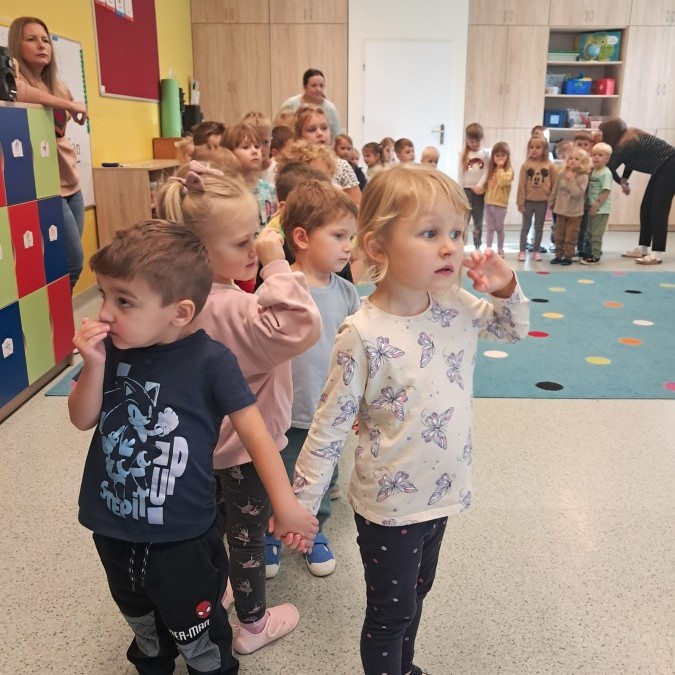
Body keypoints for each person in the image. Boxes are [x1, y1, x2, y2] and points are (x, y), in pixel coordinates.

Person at [292, 164, 529, 675]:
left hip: (441, 491)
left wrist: (506, 287)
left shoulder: (454, 304)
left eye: (456, 234)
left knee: (418, 593)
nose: (450, 248)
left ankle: (404, 667)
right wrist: (303, 504)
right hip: (389, 506)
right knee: (390, 612)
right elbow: (329, 425)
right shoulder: (362, 333)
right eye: (429, 233)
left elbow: (511, 331)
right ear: (377, 246)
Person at [69, 220, 319, 674]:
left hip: (183, 539)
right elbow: (82, 417)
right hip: (111, 529)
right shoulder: (115, 349)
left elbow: (257, 436)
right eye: (104, 294)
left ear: (180, 312)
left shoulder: (212, 361)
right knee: (141, 620)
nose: (104, 312)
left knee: (199, 630)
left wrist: (285, 505)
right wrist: (93, 365)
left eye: (123, 301)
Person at [156, 162, 323, 655]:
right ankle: (252, 625)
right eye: (242, 242)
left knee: (210, 527)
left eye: (257, 234)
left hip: (197, 448)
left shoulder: (176, 304)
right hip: (248, 455)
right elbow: (303, 326)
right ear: (199, 251)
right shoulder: (238, 310)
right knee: (247, 539)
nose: (255, 247)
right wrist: (276, 265)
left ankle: (216, 590)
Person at [265, 180, 361, 580]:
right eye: (338, 236)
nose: (348, 247)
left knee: (324, 476)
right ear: (302, 238)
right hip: (285, 410)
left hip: (329, 413)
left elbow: (358, 354)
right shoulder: (280, 286)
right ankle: (270, 532)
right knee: (278, 475)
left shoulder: (348, 293)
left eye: (350, 237)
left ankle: (312, 530)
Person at [10, 16, 89, 291]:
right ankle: (54, 313)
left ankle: (57, 312)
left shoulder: (58, 86)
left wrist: (75, 111)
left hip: (71, 182)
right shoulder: (13, 80)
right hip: (44, 184)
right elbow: (20, 93)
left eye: (45, 40)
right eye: (31, 39)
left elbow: (68, 112)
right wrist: (68, 104)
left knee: (62, 261)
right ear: (17, 44)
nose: (41, 45)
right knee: (73, 263)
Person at [599, 117, 675, 265]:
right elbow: (631, 161)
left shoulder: (626, 143)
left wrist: (621, 182)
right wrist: (624, 180)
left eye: (603, 134)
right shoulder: (629, 137)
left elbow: (609, 167)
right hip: (661, 168)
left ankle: (656, 253)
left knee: (658, 210)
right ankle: (643, 248)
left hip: (670, 167)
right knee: (646, 208)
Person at [293, 104, 361, 204]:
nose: (320, 133)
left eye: (324, 128)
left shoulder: (341, 166)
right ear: (299, 136)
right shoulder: (295, 167)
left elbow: (357, 206)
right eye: (312, 130)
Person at [517, 135, 557, 262]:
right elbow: (521, 185)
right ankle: (522, 250)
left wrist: (552, 201)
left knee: (539, 227)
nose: (534, 150)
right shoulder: (526, 165)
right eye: (531, 147)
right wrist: (520, 202)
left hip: (542, 202)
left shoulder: (550, 166)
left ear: (544, 149)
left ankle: (536, 251)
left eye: (538, 147)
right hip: (528, 202)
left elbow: (554, 185)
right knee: (525, 227)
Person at [548, 148, 591, 266]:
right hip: (561, 210)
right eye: (571, 158)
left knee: (570, 236)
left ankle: (568, 256)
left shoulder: (584, 177)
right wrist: (551, 201)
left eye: (576, 159)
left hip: (575, 213)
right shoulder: (562, 174)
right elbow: (556, 189)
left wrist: (572, 180)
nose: (572, 161)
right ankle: (558, 255)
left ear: (583, 163)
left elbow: (578, 194)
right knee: (558, 235)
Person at [278, 68, 340, 140]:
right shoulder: (290, 104)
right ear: (305, 87)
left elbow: (336, 137)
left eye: (321, 86)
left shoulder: (330, 108)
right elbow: (278, 130)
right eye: (314, 85)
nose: (318, 89)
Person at [580, 142, 613, 265]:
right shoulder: (594, 171)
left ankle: (595, 256)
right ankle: (589, 252)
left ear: (607, 158)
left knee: (596, 234)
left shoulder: (606, 173)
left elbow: (606, 191)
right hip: (592, 207)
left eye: (600, 155)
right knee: (589, 232)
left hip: (601, 209)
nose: (596, 157)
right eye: (594, 155)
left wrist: (596, 205)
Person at [459, 122, 490, 250]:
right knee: (464, 220)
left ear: (482, 139)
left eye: (477, 141)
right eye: (472, 141)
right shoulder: (464, 154)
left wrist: (479, 186)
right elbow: (460, 173)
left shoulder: (485, 154)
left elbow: (486, 172)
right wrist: (459, 189)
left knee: (478, 221)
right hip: (465, 190)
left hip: (479, 192)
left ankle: (477, 245)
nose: (475, 144)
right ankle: (461, 244)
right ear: (467, 140)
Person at [484, 141, 514, 258]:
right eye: (497, 155)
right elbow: (487, 186)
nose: (500, 158)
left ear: (507, 157)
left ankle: (500, 249)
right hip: (488, 204)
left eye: (503, 155)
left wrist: (500, 168)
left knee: (499, 228)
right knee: (489, 228)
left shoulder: (509, 171)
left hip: (500, 205)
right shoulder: (491, 170)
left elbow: (502, 182)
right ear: (493, 157)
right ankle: (488, 248)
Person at [572, 130, 595, 260]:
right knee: (575, 227)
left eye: (585, 144)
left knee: (586, 227)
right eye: (579, 144)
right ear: (574, 145)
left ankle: (583, 249)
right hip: (574, 200)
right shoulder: (572, 161)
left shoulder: (592, 163)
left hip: (587, 200)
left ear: (590, 146)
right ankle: (574, 248)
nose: (582, 147)